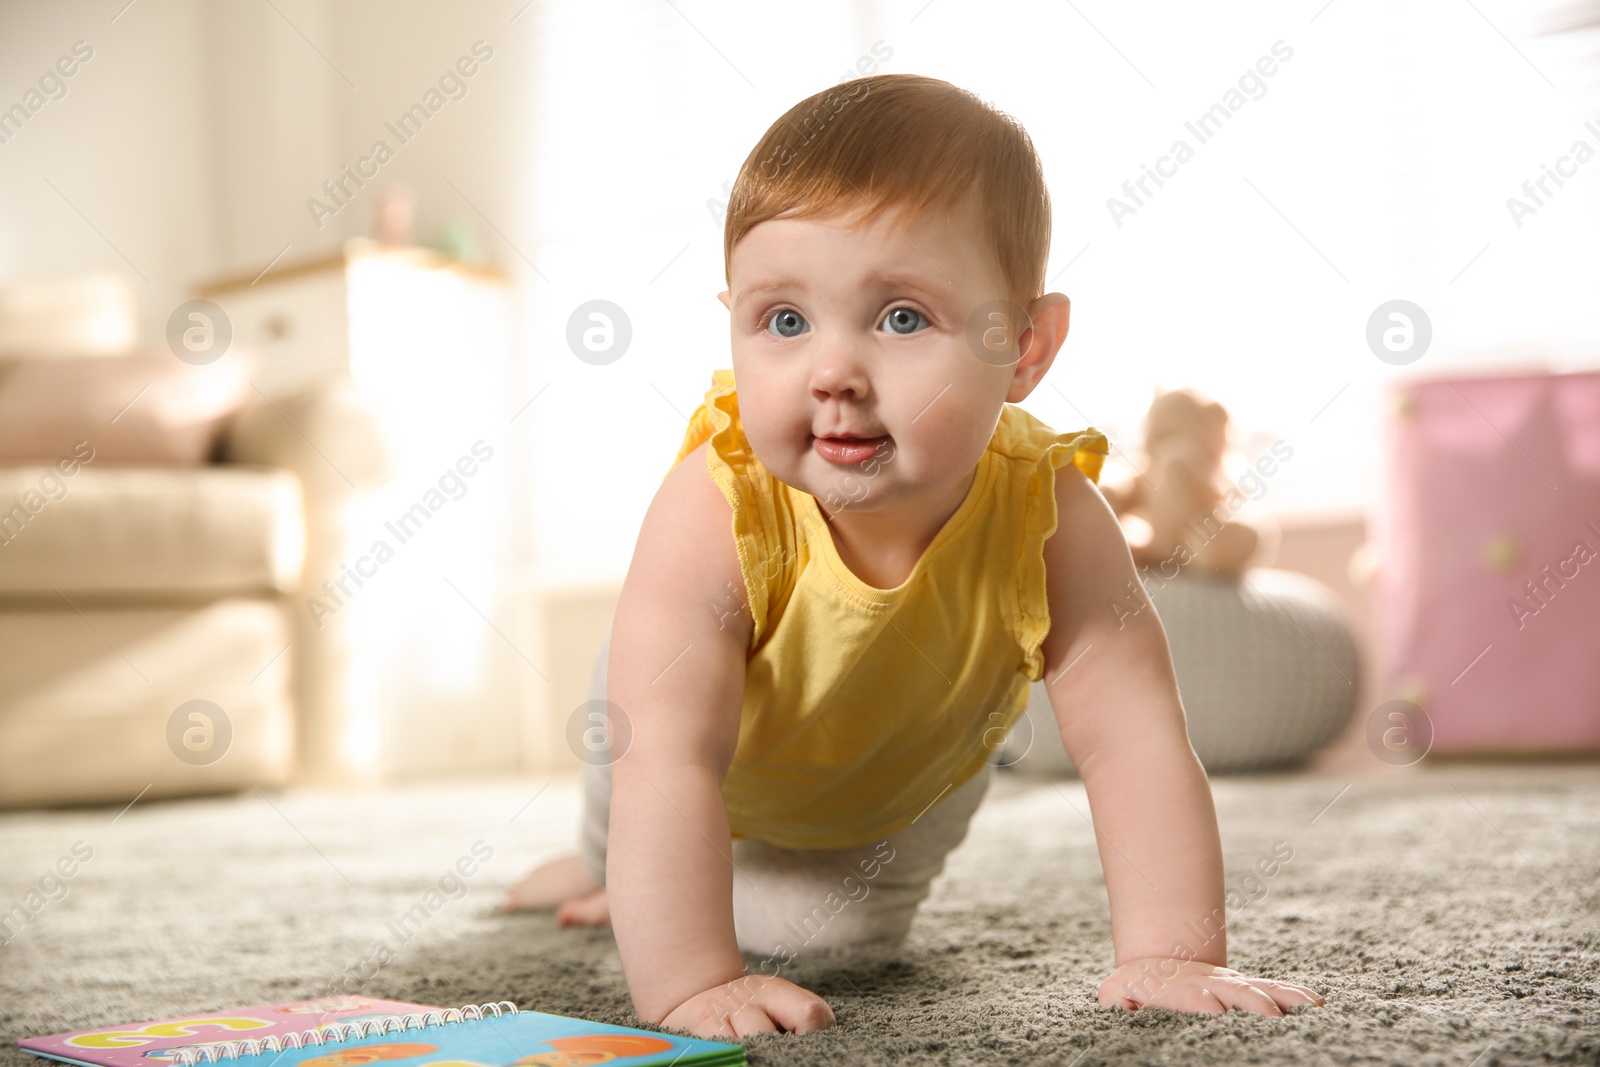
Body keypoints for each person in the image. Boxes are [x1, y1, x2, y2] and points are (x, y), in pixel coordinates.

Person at [505, 72, 1325, 1039]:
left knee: (831, 941)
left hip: (903, 776)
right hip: (696, 732)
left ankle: (677, 880)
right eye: (784, 320)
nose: (834, 374)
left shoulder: (1052, 511)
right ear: (732, 317)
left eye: (901, 317)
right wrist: (689, 984)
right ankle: (606, 864)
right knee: (637, 751)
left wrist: (1172, 952)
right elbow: (670, 753)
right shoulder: (714, 505)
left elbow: (1135, 734)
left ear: (1025, 344)